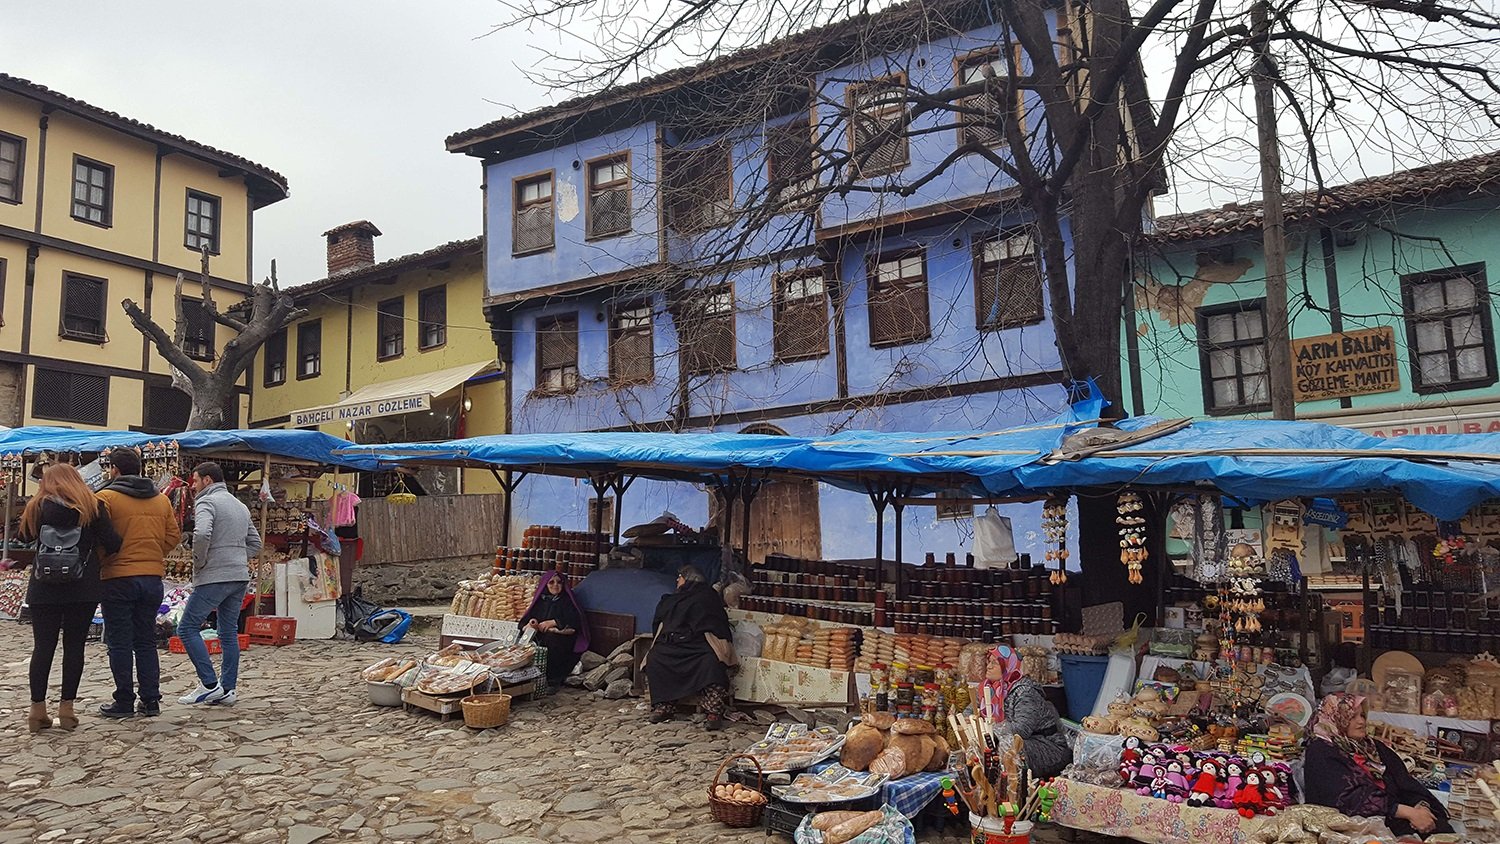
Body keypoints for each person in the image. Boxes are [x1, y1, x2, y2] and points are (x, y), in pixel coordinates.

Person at [16, 464, 121, 732]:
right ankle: (66, 710)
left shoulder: (37, 506)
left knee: (43, 647)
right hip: (81, 587)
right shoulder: (92, 506)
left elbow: (24, 537)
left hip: (43, 587)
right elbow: (113, 542)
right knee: (74, 647)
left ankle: (37, 710)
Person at [96, 448, 181, 718]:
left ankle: (123, 701)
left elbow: (99, 539)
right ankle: (151, 700)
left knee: (119, 642)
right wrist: (154, 554)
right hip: (151, 578)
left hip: (118, 577)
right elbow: (173, 536)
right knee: (145, 640)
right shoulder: (161, 500)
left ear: (114, 470)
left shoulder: (106, 497)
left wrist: (105, 560)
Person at [1304, 693, 1453, 838]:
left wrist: (1421, 806)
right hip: (1352, 825)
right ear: (1335, 718)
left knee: (1439, 827)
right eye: (1352, 716)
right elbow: (1348, 800)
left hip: (1391, 814)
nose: (1361, 722)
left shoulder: (1371, 746)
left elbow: (1404, 781)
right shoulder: (1321, 751)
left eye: (1362, 715)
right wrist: (1408, 812)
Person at [177, 462, 261, 707]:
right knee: (228, 632)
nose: (192, 486)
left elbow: (202, 534)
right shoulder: (240, 505)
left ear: (207, 480)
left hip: (214, 575)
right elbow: (255, 542)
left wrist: (201, 560)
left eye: (194, 480)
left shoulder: (206, 502)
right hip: (238, 576)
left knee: (187, 628)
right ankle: (228, 689)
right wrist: (235, 556)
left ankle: (209, 684)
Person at [643, 565, 736, 730]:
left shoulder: (708, 597)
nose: (677, 581)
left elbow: (716, 625)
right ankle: (664, 706)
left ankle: (713, 712)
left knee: (711, 663)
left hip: (699, 645)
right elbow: (661, 618)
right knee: (656, 658)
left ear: (688, 579)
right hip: (674, 644)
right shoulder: (673, 599)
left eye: (680, 577)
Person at [983, 644, 1072, 778]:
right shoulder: (992, 688)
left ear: (1007, 666)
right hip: (1018, 739)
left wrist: (990, 726)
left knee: (1008, 749)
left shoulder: (1025, 692)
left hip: (1046, 745)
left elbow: (1022, 729)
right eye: (989, 662)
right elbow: (973, 708)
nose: (988, 666)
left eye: (994, 663)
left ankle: (1012, 792)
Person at [518, 570, 590, 686]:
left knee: (552, 640)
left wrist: (553, 623)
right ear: (545, 585)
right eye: (551, 582)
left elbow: (574, 621)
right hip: (540, 635)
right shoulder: (541, 601)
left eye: (558, 582)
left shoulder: (567, 601)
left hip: (561, 639)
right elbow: (525, 621)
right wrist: (531, 624)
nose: (555, 585)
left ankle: (552, 678)